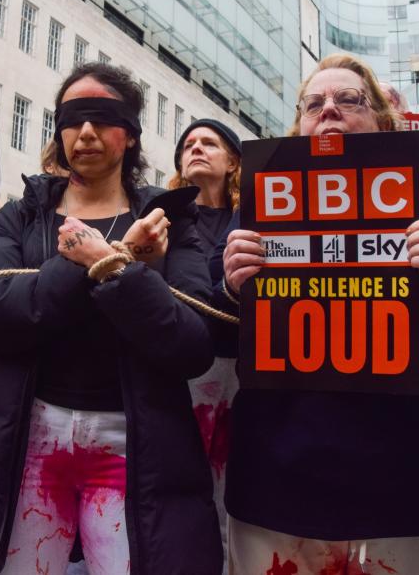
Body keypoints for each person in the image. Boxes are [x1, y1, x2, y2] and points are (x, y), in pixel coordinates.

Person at [0, 62, 222, 575]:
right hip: (25, 440)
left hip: (133, 446)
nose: (85, 131)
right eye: (72, 118)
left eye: (101, 116)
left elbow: (192, 344)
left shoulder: (169, 220)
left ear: (130, 134)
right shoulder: (21, 215)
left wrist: (129, 274)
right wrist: (105, 263)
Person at [218, 54, 419, 574]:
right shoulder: (257, 211)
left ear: (382, 122)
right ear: (299, 124)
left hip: (403, 483)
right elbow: (224, 336)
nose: (329, 110)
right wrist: (233, 286)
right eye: (314, 103)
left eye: (349, 100)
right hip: (279, 479)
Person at [169, 118, 242, 562]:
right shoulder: (165, 215)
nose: (196, 149)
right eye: (188, 144)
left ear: (233, 160)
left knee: (234, 489)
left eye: (209, 143)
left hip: (245, 370)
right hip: (186, 372)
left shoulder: (252, 212)